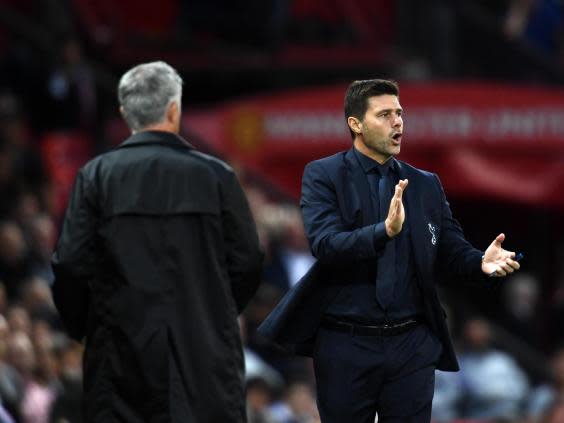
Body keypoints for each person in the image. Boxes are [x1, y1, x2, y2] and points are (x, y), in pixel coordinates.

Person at [258, 79, 521, 422]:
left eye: (399, 113)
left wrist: (480, 263)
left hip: (411, 343)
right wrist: (383, 232)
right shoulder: (324, 175)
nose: (398, 122)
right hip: (346, 344)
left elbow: (450, 249)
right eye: (384, 115)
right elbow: (325, 244)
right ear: (356, 123)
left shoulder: (425, 184)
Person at [51, 61, 263, 422]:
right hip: (204, 364)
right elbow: (248, 263)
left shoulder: (95, 177)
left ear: (125, 113)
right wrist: (212, 315)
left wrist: (90, 327)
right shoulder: (217, 177)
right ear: (174, 109)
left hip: (119, 365)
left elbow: (70, 264)